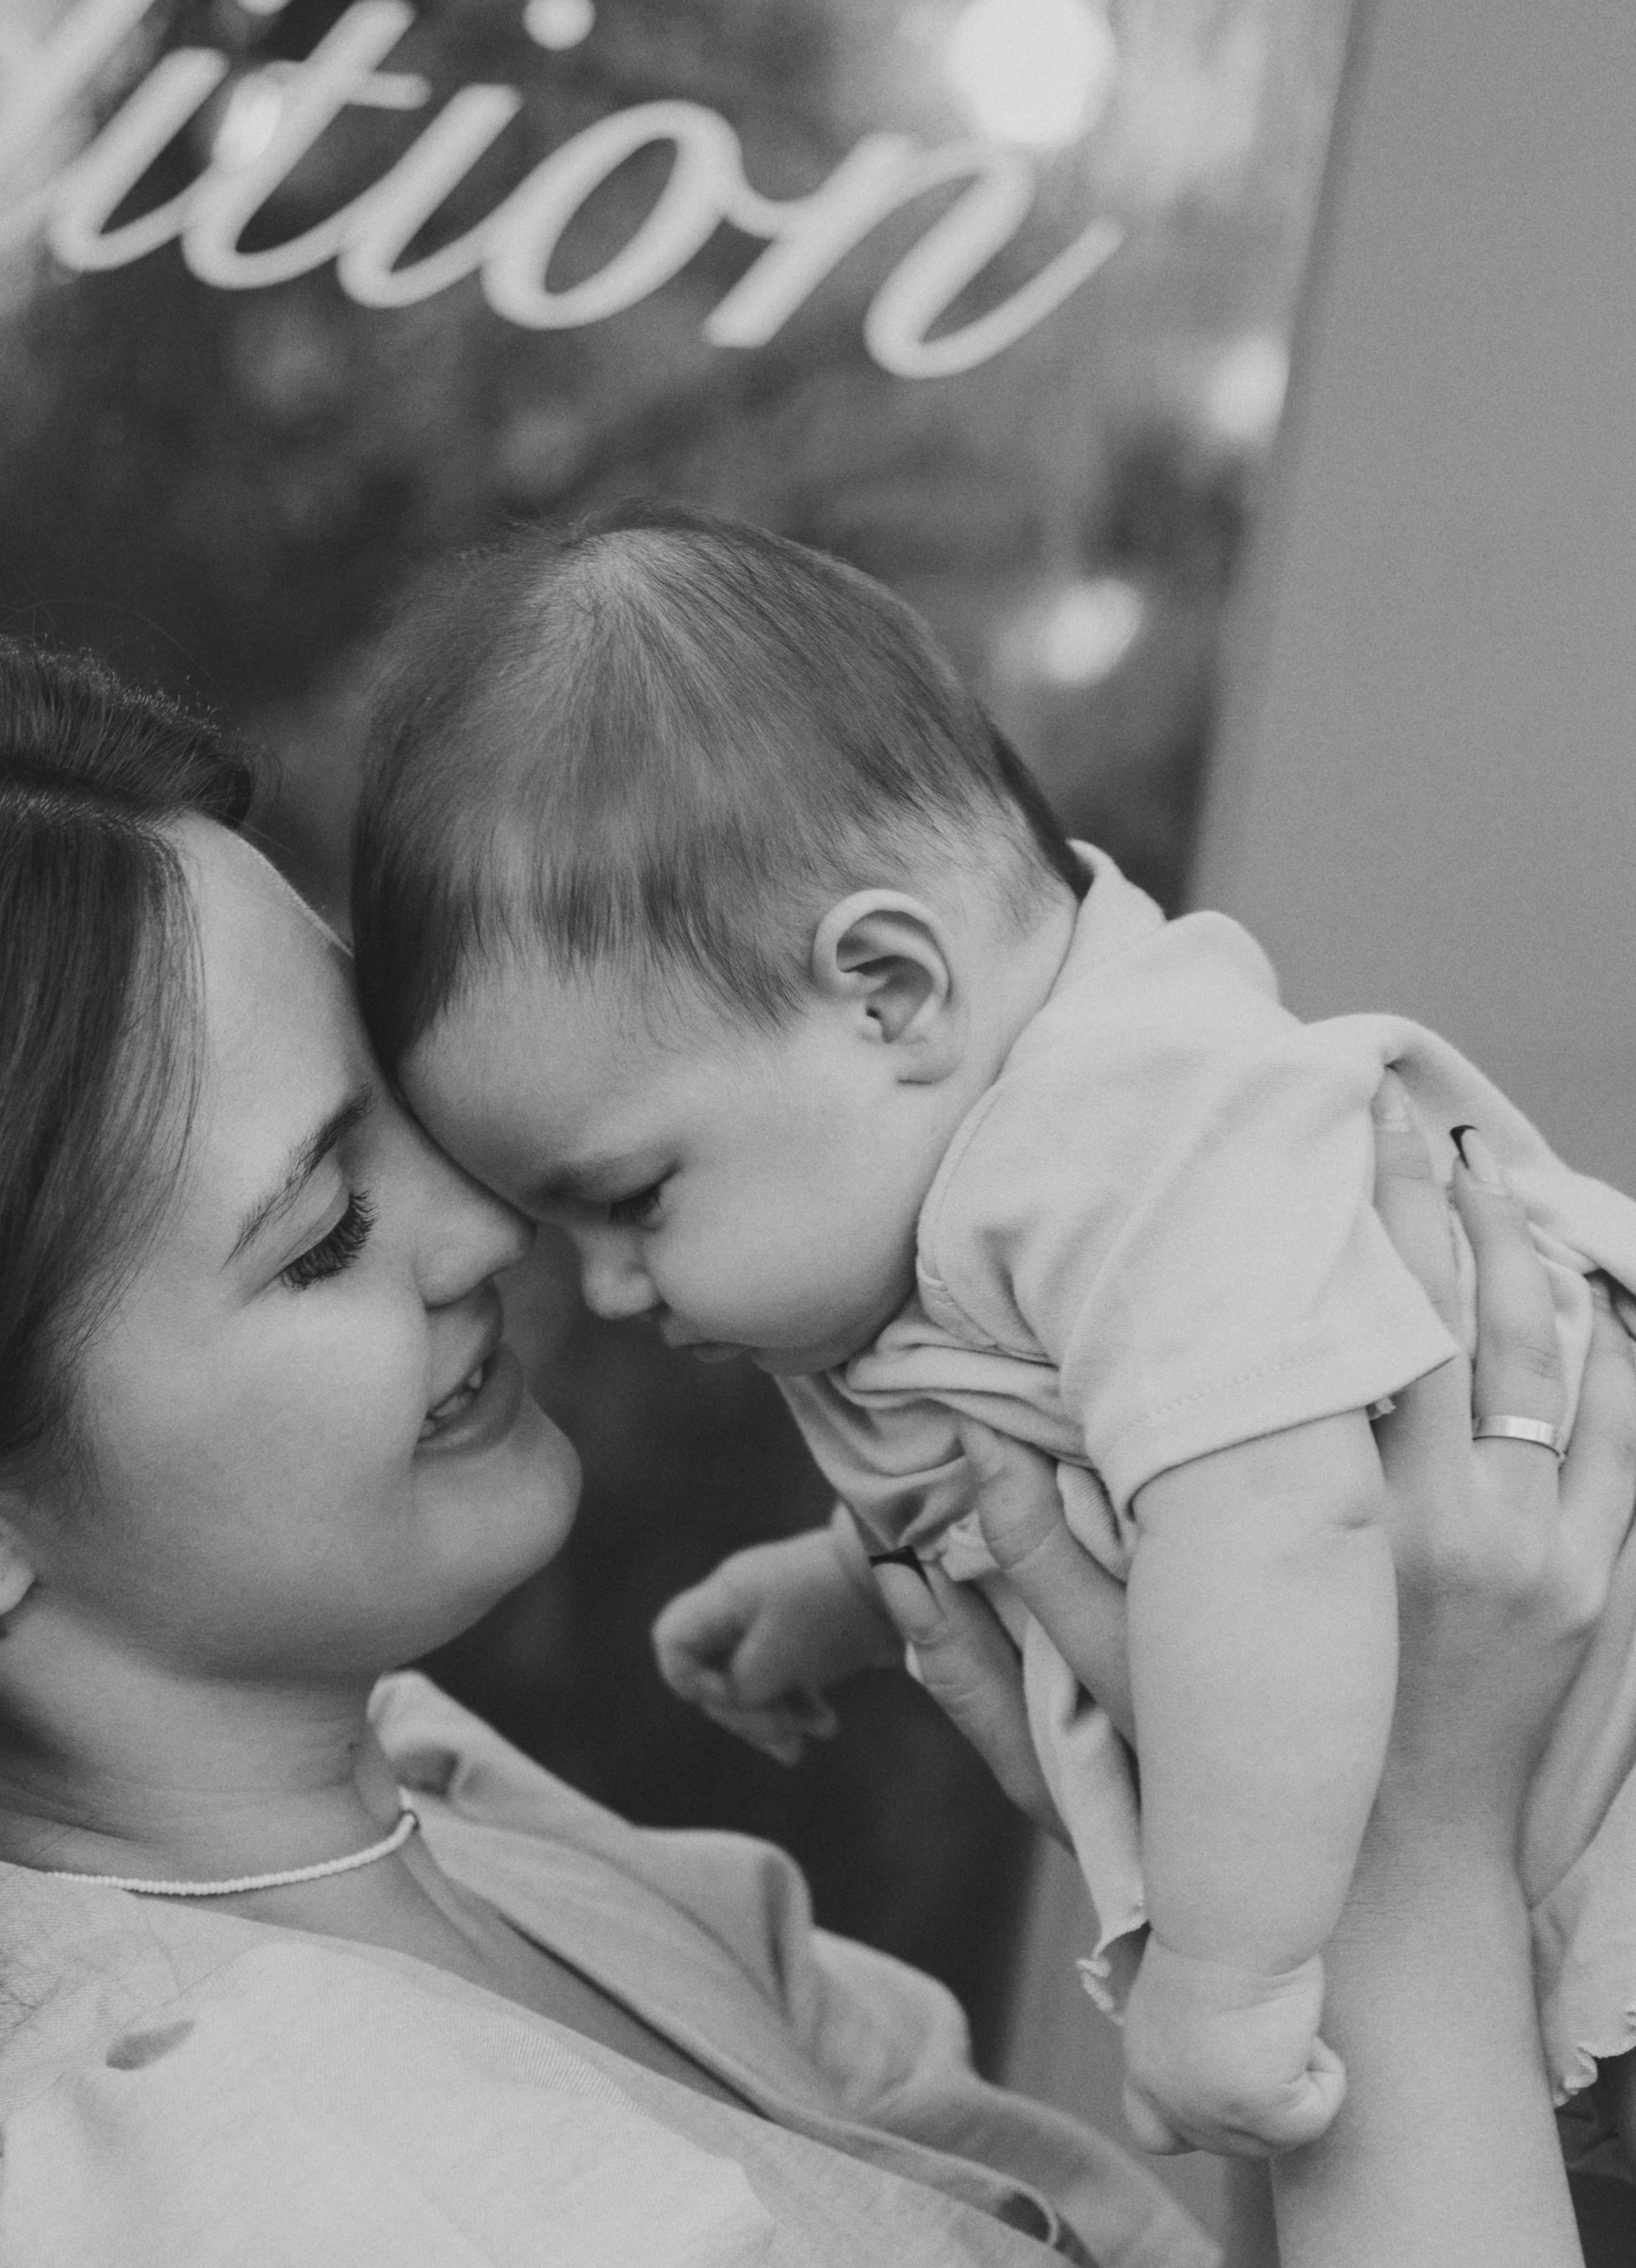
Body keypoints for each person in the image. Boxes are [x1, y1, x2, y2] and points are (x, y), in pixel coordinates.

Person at [0, 637, 1629, 2268]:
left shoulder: (440, 1811)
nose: (493, 1233)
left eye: (404, 1120)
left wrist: (1239, 1806)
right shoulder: (204, 2248)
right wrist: (1389, 1855)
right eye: (323, 1233)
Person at [350, 509, 1636, 2160]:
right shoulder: (994, 1190)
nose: (606, 1287)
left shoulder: (1133, 1128)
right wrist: (847, 1586)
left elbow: (1275, 1517)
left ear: (888, 993)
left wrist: (1230, 1973)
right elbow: (1064, 1443)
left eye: (632, 1199)